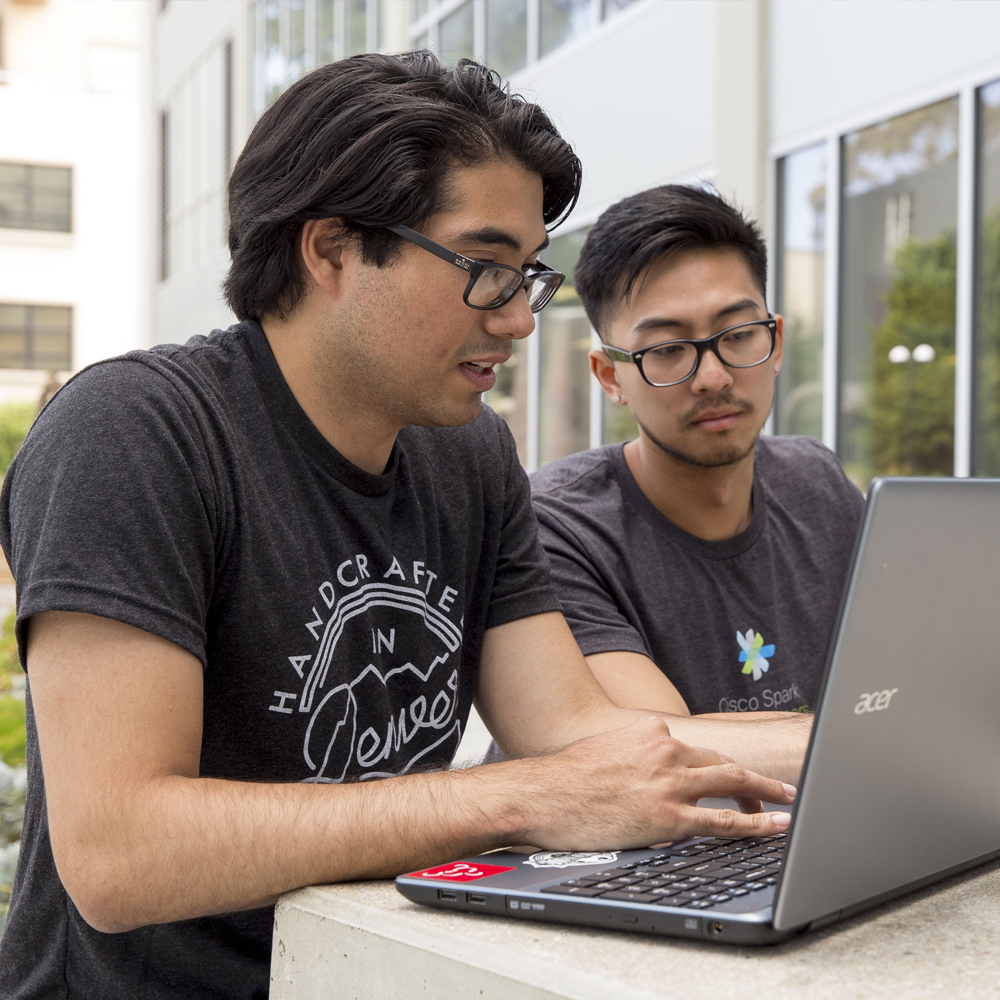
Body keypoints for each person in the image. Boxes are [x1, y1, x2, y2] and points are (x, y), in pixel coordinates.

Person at [0, 58, 794, 1000]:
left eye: (527, 276)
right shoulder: (137, 432)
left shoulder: (470, 457)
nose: (518, 319)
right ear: (331, 249)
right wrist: (524, 801)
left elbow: (575, 729)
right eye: (485, 269)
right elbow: (121, 853)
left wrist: (881, 752)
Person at [531, 185, 864, 780]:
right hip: (626, 866)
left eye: (738, 335)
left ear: (776, 342)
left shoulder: (819, 484)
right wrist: (873, 734)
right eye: (667, 349)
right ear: (610, 375)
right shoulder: (556, 526)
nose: (712, 376)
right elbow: (661, 755)